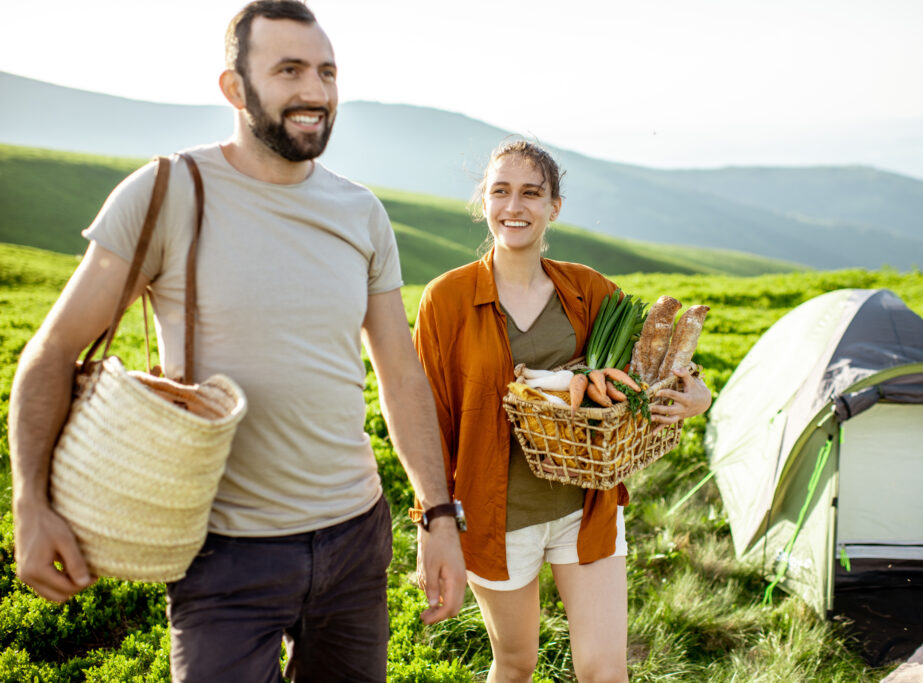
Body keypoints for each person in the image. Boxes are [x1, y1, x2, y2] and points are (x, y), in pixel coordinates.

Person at [7, 1, 465, 680]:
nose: (315, 91)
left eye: (327, 72)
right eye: (288, 70)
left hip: (354, 537)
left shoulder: (361, 212)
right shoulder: (165, 192)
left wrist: (437, 514)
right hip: (222, 553)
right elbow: (51, 351)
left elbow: (400, 373)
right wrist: (30, 503)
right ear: (233, 87)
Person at [412, 139, 712, 682]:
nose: (514, 206)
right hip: (495, 516)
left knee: (605, 672)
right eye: (501, 191)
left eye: (532, 193)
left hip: (586, 508)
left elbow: (652, 366)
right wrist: (431, 521)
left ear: (554, 206)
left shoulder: (587, 290)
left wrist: (698, 393)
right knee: (517, 663)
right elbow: (425, 415)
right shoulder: (446, 299)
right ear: (484, 201)